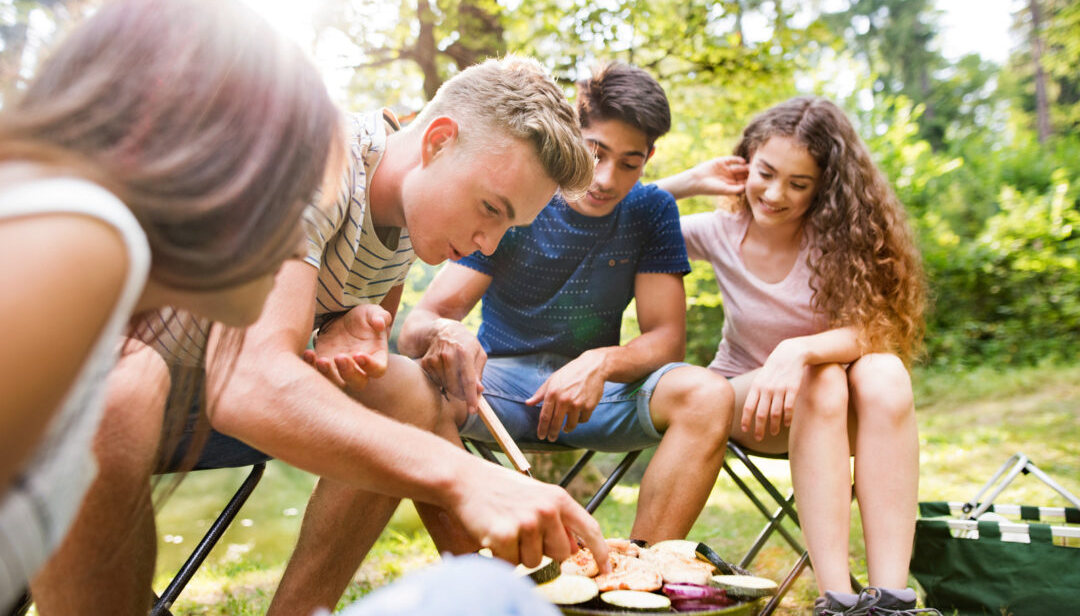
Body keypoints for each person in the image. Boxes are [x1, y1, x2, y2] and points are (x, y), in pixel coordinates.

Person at [32, 53, 609, 615]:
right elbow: (248, 380)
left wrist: (340, 326)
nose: (488, 242)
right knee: (127, 378)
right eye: (491, 207)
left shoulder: (411, 224)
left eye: (508, 226)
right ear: (438, 141)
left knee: (406, 393)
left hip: (190, 396)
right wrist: (467, 478)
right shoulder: (316, 155)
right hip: (66, 387)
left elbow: (331, 340)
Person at [0, 0, 339, 613]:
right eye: (294, 195)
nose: (302, 239)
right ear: (221, 166)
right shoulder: (86, 239)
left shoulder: (103, 311)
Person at [394, 62, 736, 544]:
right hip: (499, 389)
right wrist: (449, 335)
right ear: (574, 133)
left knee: (709, 393)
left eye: (630, 163)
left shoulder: (652, 210)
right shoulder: (523, 195)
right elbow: (421, 323)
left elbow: (667, 339)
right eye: (595, 152)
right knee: (409, 388)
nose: (606, 178)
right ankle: (482, 586)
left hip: (597, 397)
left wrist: (600, 362)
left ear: (650, 158)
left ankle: (638, 581)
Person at [654, 96, 935, 615]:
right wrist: (688, 182)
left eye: (798, 184)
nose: (775, 193)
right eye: (765, 172)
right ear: (745, 163)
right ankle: (836, 599)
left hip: (835, 410)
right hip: (745, 402)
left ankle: (891, 601)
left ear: (824, 188)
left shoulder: (845, 240)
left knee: (885, 373)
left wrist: (798, 351)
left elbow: (880, 329)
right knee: (822, 380)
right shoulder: (716, 231)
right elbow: (616, 214)